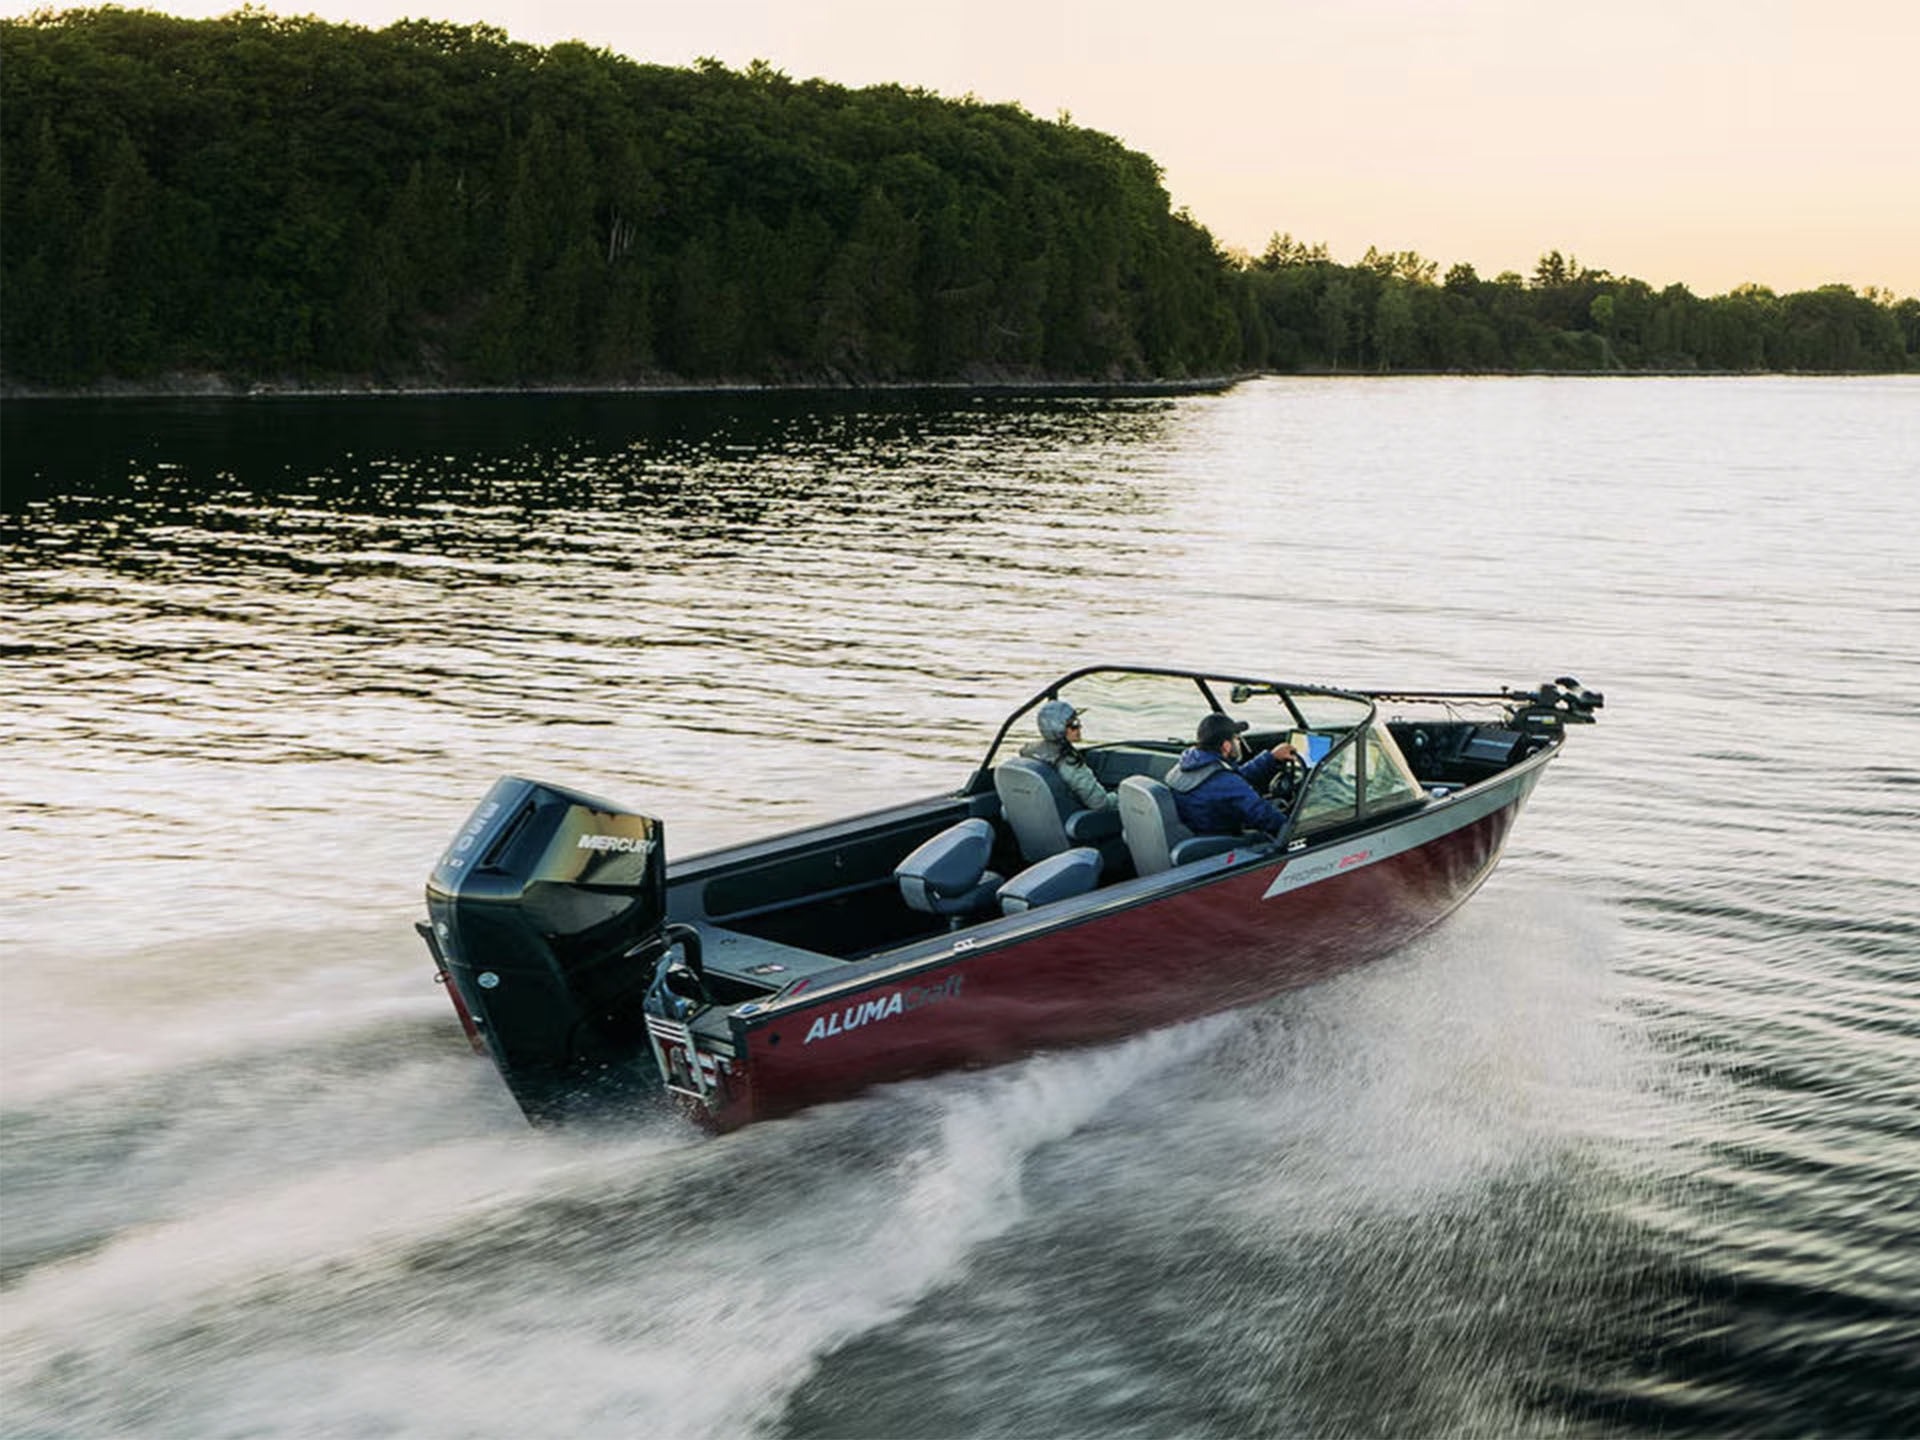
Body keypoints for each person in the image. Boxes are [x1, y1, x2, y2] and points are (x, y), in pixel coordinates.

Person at [1165, 712, 1297, 837]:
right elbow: (1265, 817)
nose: (1238, 743)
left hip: (1196, 831)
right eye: (1237, 739)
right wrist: (1296, 828)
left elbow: (1234, 779)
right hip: (1221, 842)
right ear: (1227, 746)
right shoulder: (1224, 781)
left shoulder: (1189, 764)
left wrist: (1271, 757)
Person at [1019, 700, 1116, 812]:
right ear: (1059, 729)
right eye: (1074, 724)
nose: (1079, 726)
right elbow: (1101, 804)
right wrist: (1120, 796)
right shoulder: (1069, 763)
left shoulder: (1028, 752)